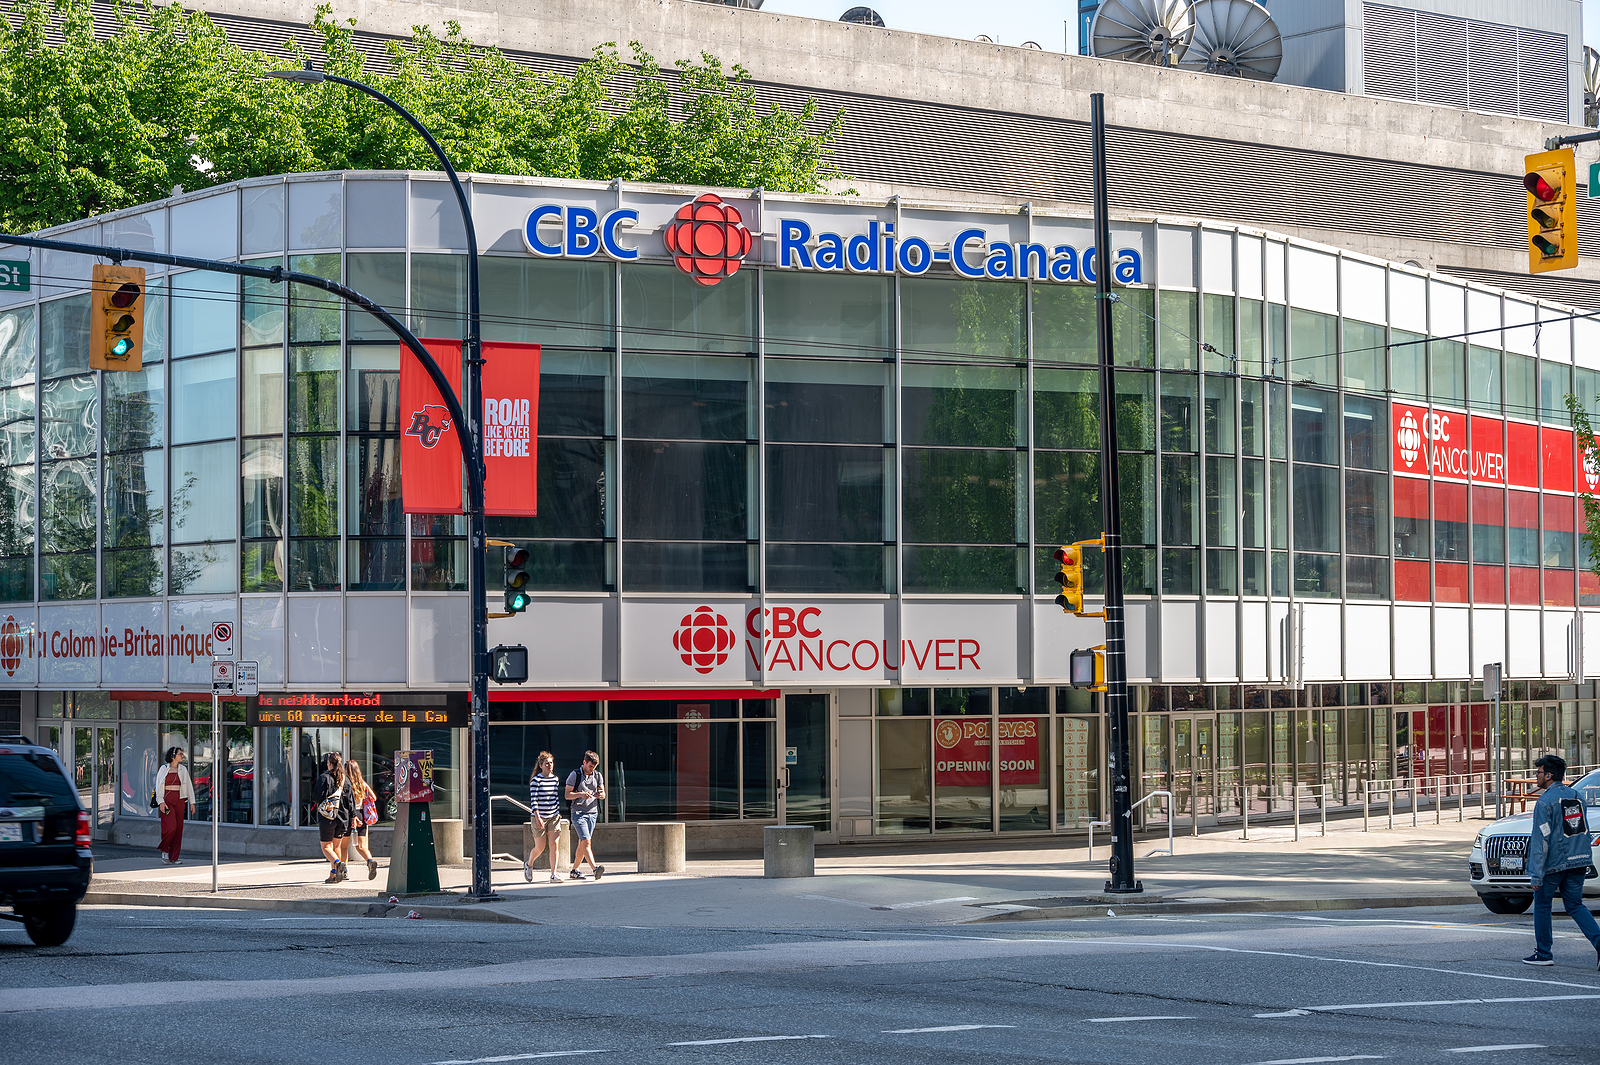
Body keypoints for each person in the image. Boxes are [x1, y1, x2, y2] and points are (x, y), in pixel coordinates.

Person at [1523, 753, 1600, 968]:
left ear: (1548, 775)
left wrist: (1535, 874)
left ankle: (1544, 953)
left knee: (1542, 905)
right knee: (1575, 905)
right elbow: (1580, 830)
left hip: (1554, 864)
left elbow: (1541, 839)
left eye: (1538, 772)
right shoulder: (1576, 796)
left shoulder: (1544, 802)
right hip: (1578, 861)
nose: (1536, 776)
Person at [564, 751, 606, 881]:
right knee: (586, 841)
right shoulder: (575, 775)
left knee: (582, 842)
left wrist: (600, 794)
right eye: (590, 766)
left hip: (592, 813)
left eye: (594, 766)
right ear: (584, 762)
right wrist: (580, 794)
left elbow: (603, 793)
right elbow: (567, 795)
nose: (592, 768)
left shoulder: (597, 776)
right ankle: (594, 869)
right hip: (578, 813)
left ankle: (574, 870)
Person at [310, 752, 350, 884]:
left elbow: (317, 796)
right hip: (342, 817)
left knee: (326, 846)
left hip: (328, 816)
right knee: (336, 847)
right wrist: (353, 816)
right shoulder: (345, 779)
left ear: (329, 763)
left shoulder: (324, 777)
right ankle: (334, 874)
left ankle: (338, 864)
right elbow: (350, 800)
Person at [524, 752, 563, 884]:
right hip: (539, 816)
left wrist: (557, 813)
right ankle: (529, 864)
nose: (550, 765)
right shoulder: (536, 780)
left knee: (554, 845)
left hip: (554, 816)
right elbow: (534, 800)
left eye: (551, 763)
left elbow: (555, 797)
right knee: (540, 847)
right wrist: (538, 817)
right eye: (547, 763)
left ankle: (553, 874)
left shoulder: (555, 779)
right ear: (541, 765)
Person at [153, 746, 195, 865]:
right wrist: (160, 801)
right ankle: (165, 850)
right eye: (180, 754)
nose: (182, 756)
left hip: (180, 800)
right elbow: (158, 786)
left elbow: (189, 787)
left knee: (179, 828)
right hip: (167, 801)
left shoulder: (183, 769)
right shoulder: (163, 769)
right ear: (173, 756)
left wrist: (192, 802)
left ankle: (174, 857)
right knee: (171, 827)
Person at [344, 761, 380, 880]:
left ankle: (344, 871)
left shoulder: (345, 783)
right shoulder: (362, 783)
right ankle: (370, 861)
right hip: (361, 814)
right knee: (361, 845)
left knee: (344, 846)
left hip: (349, 815)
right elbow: (373, 797)